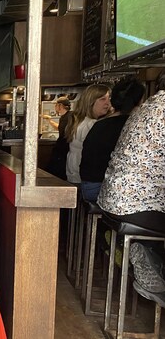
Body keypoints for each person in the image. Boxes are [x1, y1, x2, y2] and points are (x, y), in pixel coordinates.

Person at [98, 71, 165, 306]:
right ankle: (151, 270)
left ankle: (147, 260)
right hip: (137, 206)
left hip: (110, 200)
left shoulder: (146, 108)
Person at [80, 79, 145, 201]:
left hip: (88, 186)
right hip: (103, 189)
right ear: (140, 101)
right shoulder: (133, 126)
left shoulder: (100, 124)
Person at [65, 84, 111, 185]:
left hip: (74, 176)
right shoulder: (91, 124)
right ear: (90, 102)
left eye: (109, 98)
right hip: (85, 179)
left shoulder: (78, 121)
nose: (108, 103)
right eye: (103, 99)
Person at [46, 97, 73, 180]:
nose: (55, 107)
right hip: (63, 148)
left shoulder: (70, 117)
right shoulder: (64, 117)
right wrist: (49, 121)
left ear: (60, 106)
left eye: (56, 105)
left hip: (64, 148)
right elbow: (60, 128)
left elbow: (66, 132)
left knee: (58, 172)